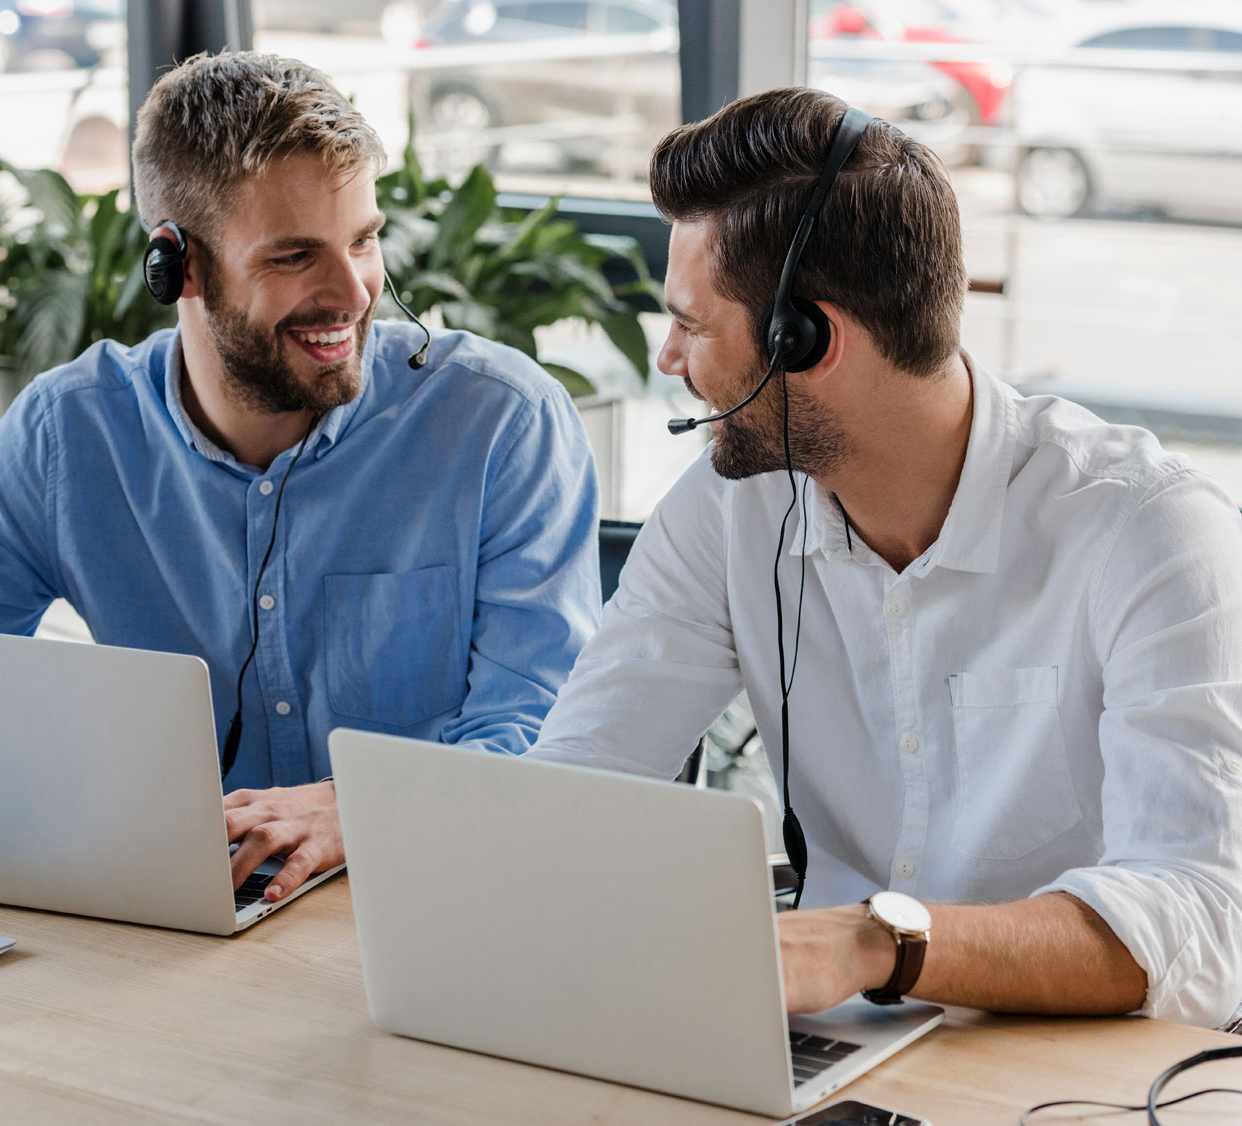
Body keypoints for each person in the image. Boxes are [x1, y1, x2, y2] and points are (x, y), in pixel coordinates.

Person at [529, 86, 1242, 1028]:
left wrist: (874, 941)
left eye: (693, 324)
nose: (668, 358)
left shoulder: (1150, 532)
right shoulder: (728, 513)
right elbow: (574, 795)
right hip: (831, 1047)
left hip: (1067, 1074)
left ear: (807, 339)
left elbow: (1200, 916)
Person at [0, 53, 601, 905]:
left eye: (365, 240)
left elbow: (549, 740)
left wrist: (364, 808)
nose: (354, 292)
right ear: (176, 266)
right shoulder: (72, 435)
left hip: (437, 900)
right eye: (296, 256)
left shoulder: (499, 422)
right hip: (180, 924)